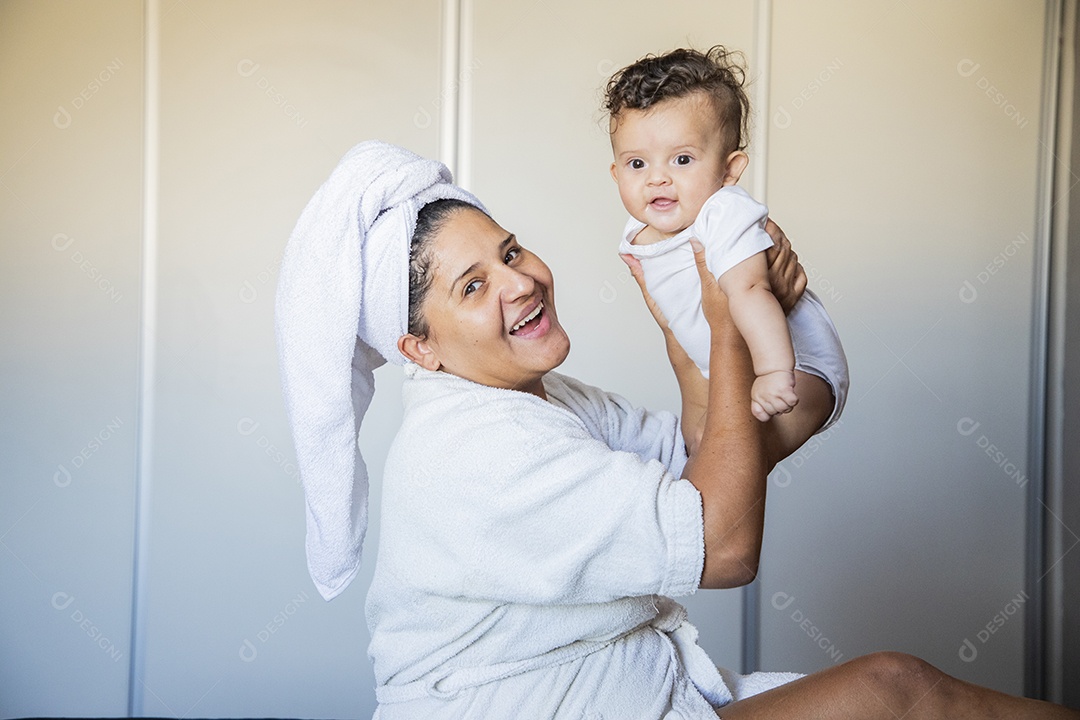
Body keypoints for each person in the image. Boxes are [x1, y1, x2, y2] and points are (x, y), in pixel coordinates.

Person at [276, 141, 1080, 719]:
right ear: (419, 348)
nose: (522, 282)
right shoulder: (475, 453)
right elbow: (725, 543)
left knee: (902, 688)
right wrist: (728, 324)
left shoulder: (540, 398)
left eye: (512, 250)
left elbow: (709, 457)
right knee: (900, 692)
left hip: (632, 695)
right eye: (474, 284)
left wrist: (694, 321)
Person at [606, 46, 849, 433]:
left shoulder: (722, 212)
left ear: (729, 169)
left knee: (735, 454)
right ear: (617, 173)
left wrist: (772, 371)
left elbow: (751, 289)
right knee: (700, 453)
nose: (657, 178)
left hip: (797, 366)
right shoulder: (637, 231)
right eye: (638, 163)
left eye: (682, 159)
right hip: (726, 365)